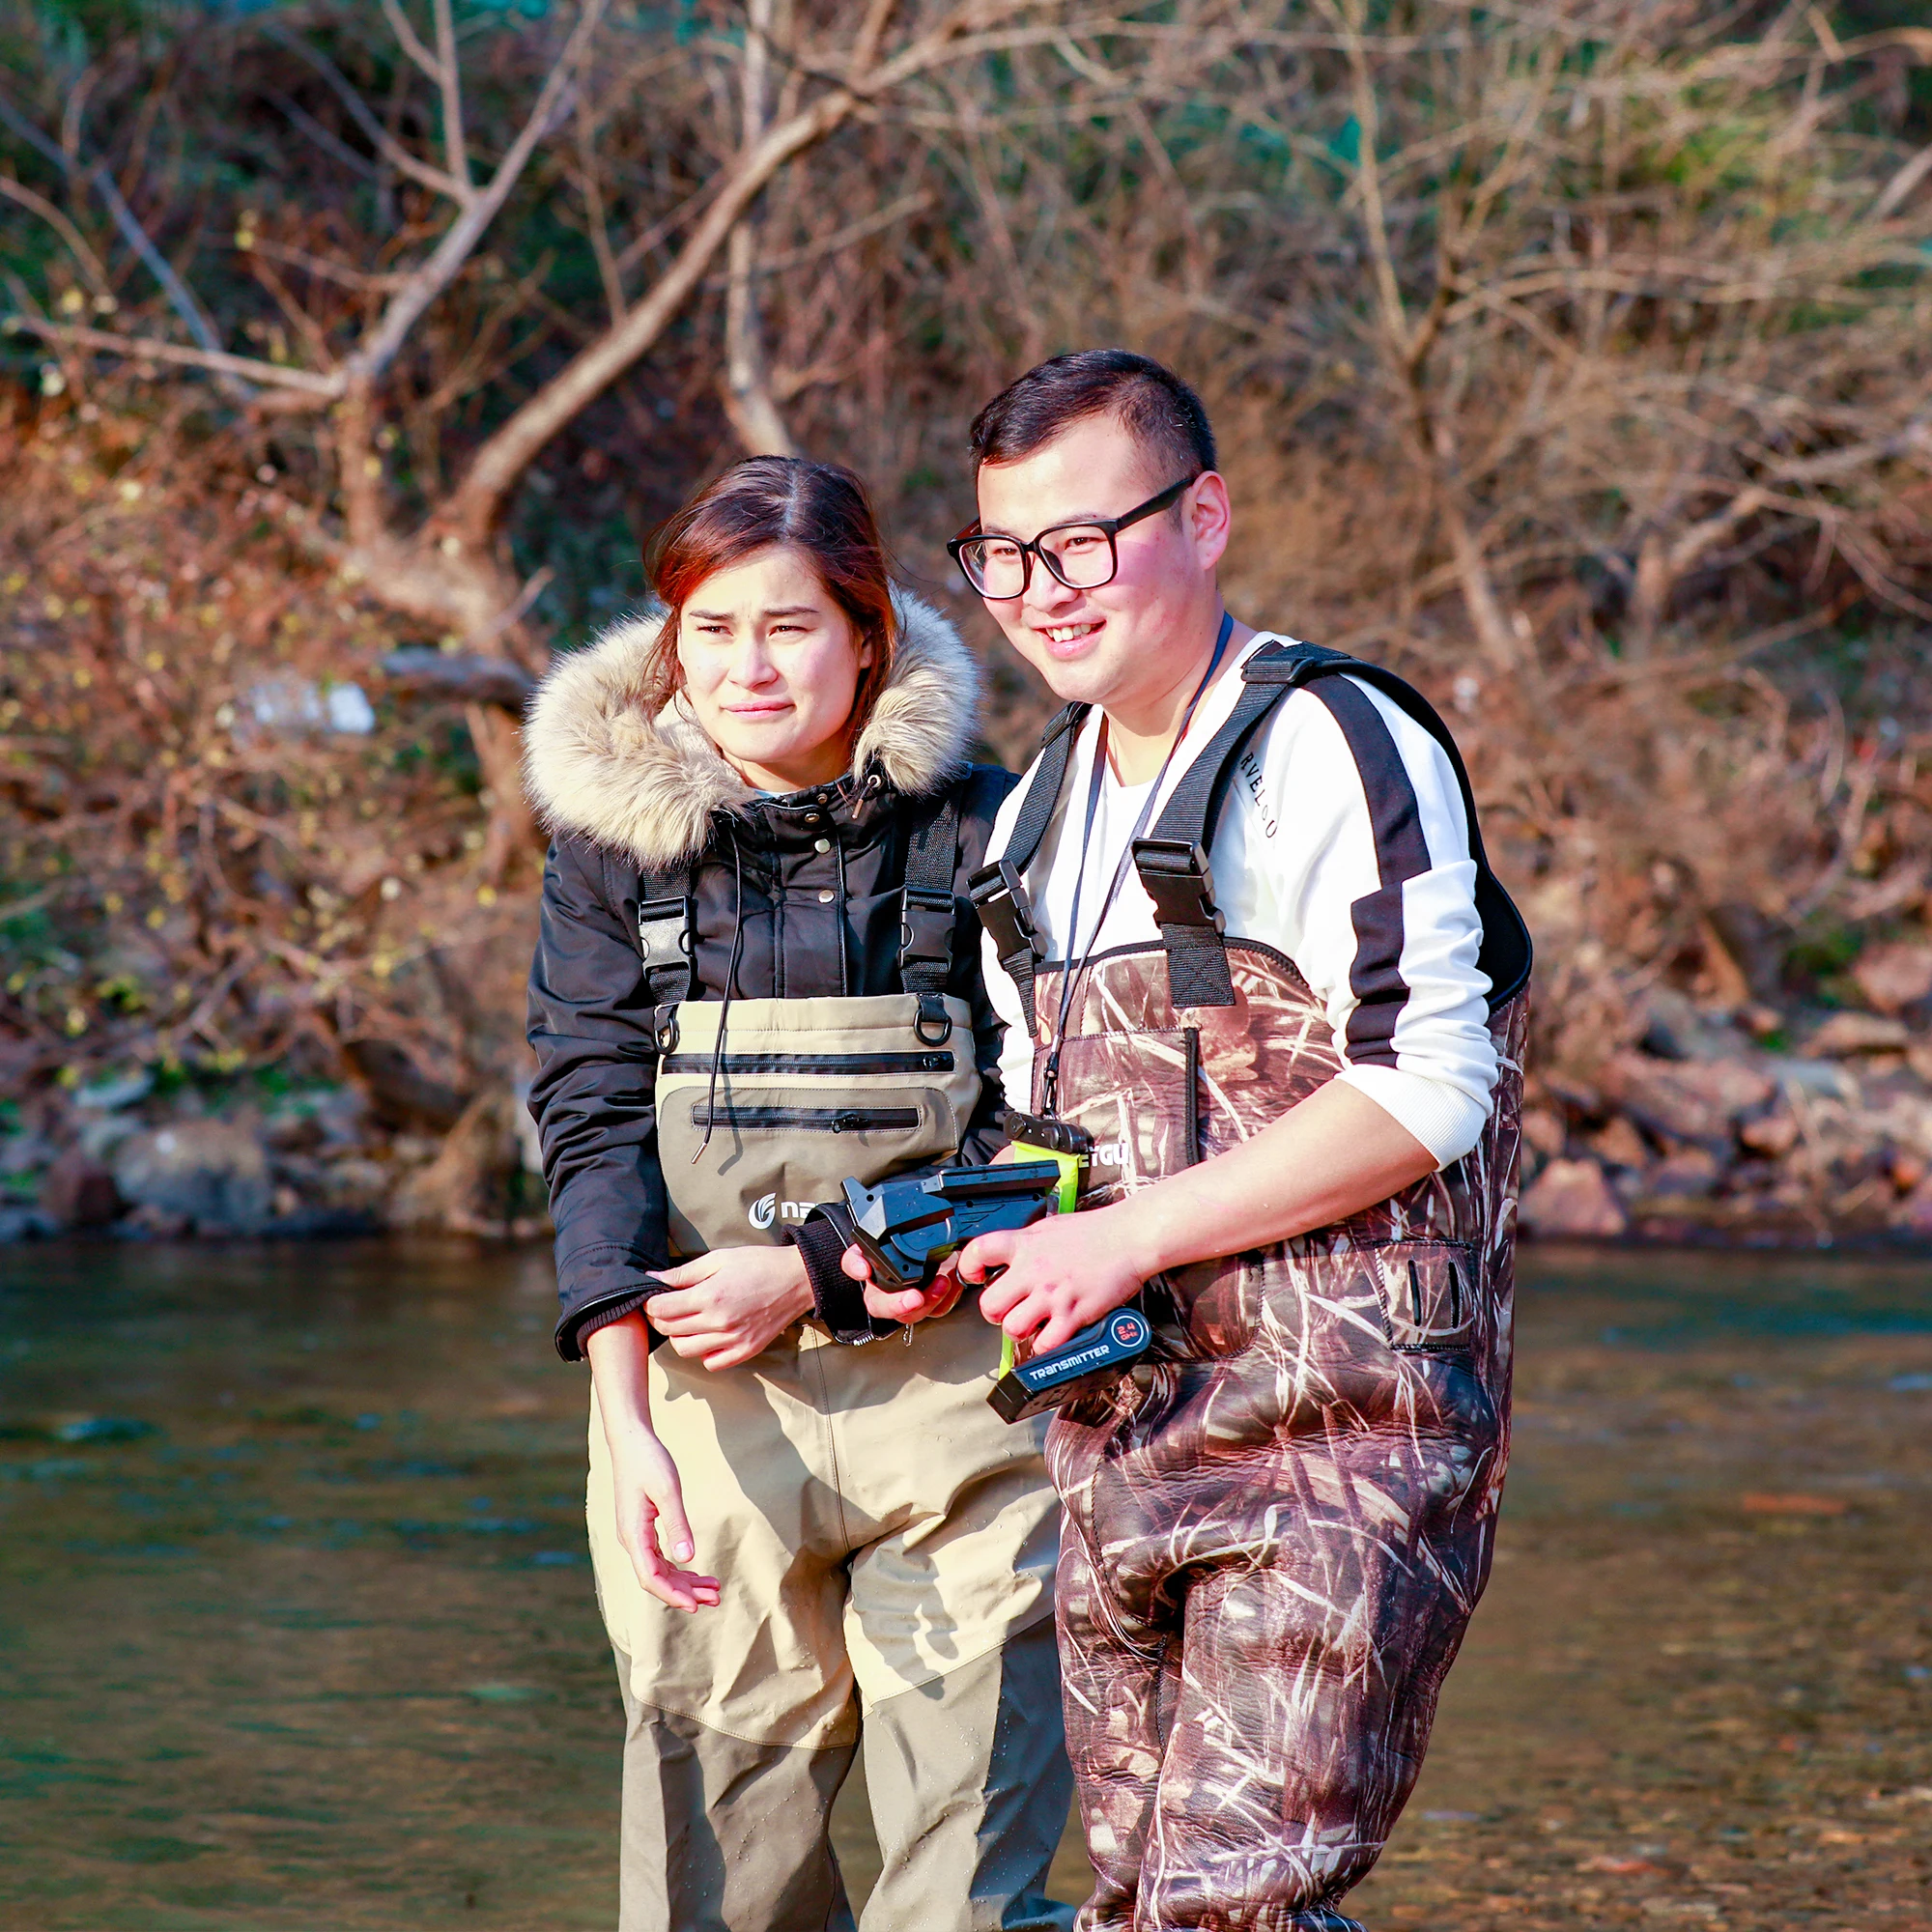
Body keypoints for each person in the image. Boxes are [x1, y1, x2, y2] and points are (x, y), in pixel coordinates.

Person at [854, 352, 1533, 1932]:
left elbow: (1432, 1086)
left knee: (1227, 1910)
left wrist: (1125, 1238)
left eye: (1084, 542)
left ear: (1204, 516)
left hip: (1344, 1450)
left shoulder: (1331, 745)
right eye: (1004, 554)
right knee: (1143, 1903)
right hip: (1124, 1444)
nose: (1041, 592)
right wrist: (960, 1246)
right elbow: (1055, 1147)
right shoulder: (1030, 818)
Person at [523, 456, 1076, 1932]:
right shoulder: (605, 852)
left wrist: (824, 1270)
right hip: (703, 1435)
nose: (747, 668)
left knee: (963, 1893)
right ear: (668, 643)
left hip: (967, 1416)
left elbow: (1052, 1133)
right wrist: (625, 1418)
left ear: (869, 635)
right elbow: (587, 1120)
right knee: (720, 1893)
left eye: (788, 628)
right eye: (711, 632)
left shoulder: (988, 828)